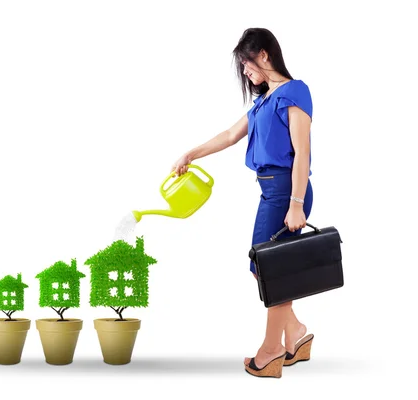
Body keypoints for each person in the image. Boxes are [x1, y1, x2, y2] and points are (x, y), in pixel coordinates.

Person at [171, 28, 315, 378]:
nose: (246, 74)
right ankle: (295, 333)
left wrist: (296, 203)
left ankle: (271, 351)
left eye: (247, 65)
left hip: (286, 191)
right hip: (271, 190)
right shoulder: (264, 100)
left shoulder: (295, 92)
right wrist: (192, 153)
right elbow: (230, 135)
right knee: (264, 266)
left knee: (270, 269)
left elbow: (302, 154)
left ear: (264, 55)